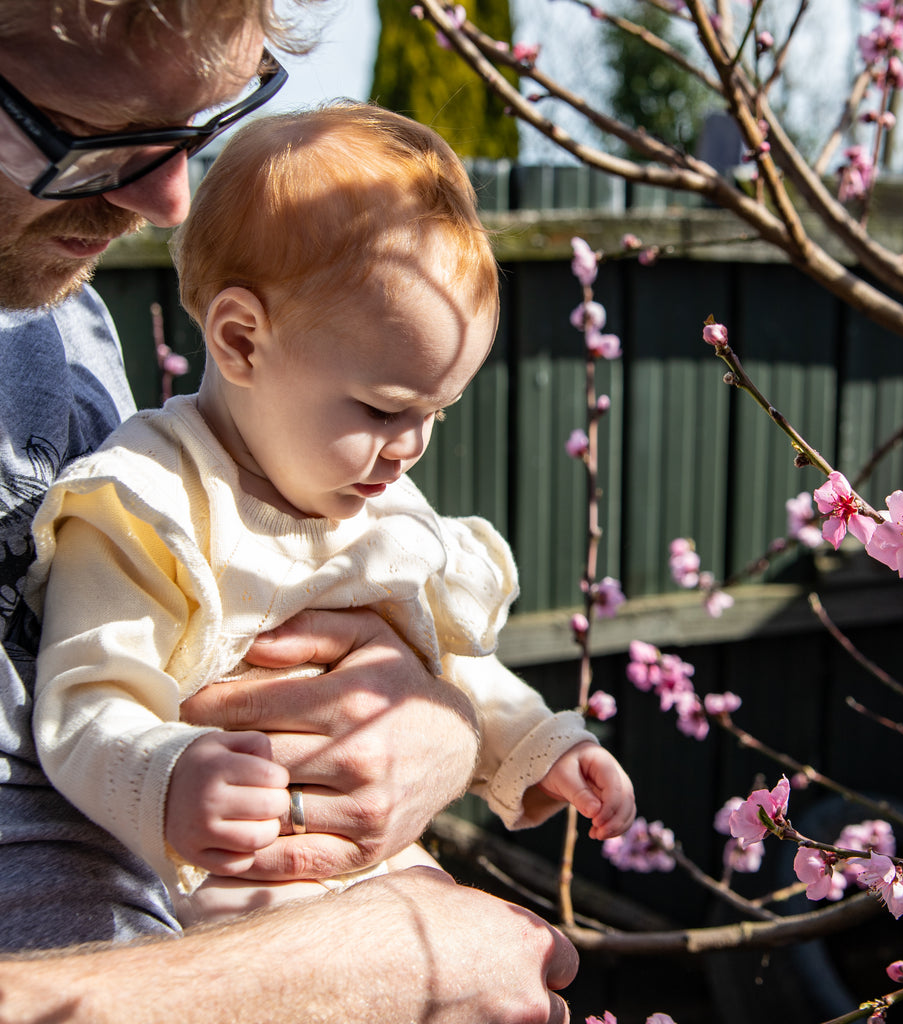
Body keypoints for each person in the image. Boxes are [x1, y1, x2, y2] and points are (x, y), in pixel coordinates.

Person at [0, 3, 579, 1020]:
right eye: (92, 138)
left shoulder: (54, 315)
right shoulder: (145, 493)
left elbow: (437, 660)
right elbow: (97, 702)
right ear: (241, 341)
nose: (170, 198)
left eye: (197, 129)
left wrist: (458, 735)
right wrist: (324, 976)